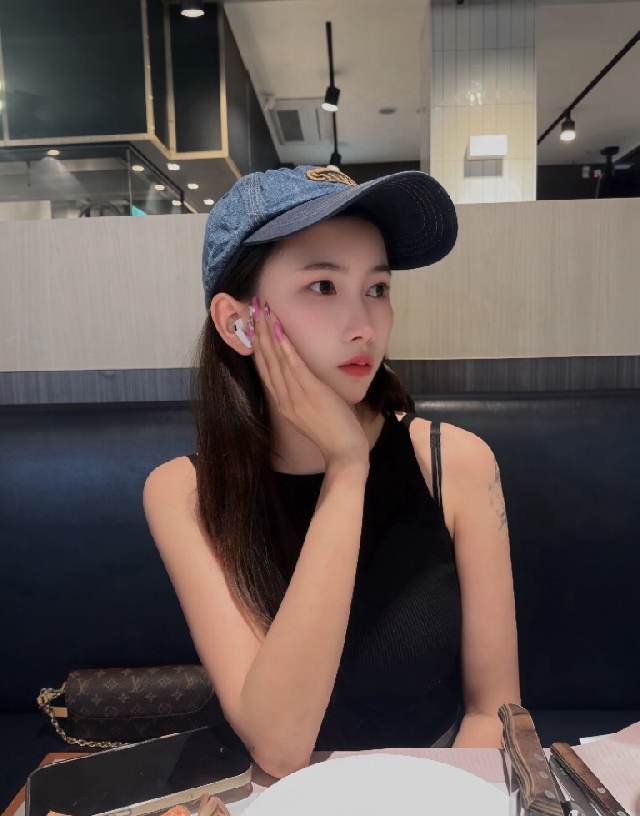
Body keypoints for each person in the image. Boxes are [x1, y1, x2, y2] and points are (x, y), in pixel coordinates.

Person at [143, 164, 520, 779]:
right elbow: (280, 745)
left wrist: (432, 811)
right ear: (237, 322)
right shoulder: (184, 492)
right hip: (273, 805)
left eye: (377, 288)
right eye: (323, 286)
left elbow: (493, 709)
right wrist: (346, 469)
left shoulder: (455, 463)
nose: (364, 326)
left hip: (430, 791)